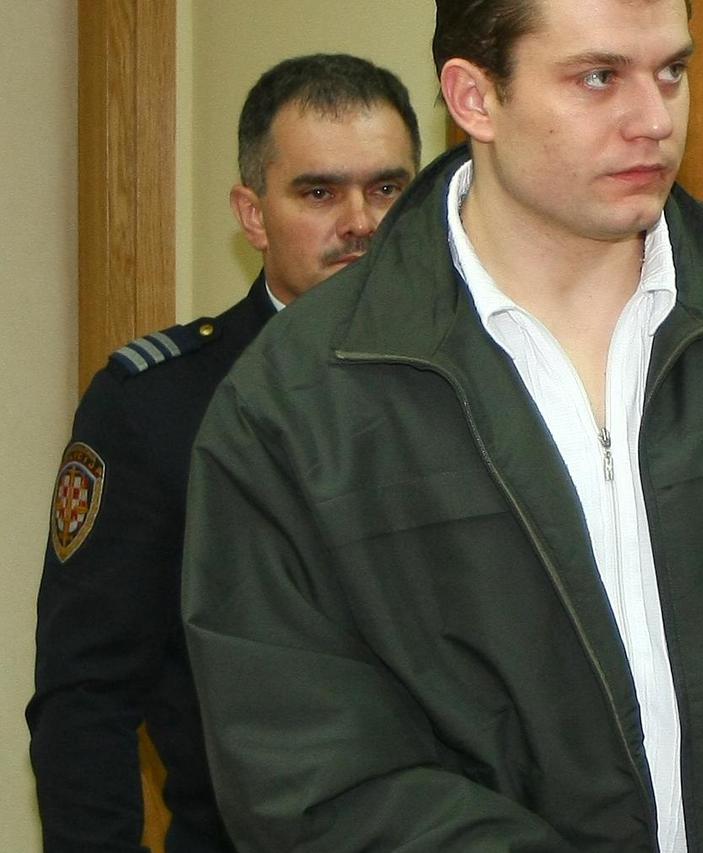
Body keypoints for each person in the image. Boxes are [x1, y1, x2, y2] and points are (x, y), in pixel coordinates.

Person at [179, 0, 703, 850]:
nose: (654, 120)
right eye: (598, 78)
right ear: (475, 98)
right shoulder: (301, 401)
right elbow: (313, 771)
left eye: (672, 72)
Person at [27, 53, 420, 852]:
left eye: (388, 189)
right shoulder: (159, 406)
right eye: (319, 192)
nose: (361, 222)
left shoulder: (483, 384)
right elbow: (86, 694)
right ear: (253, 214)